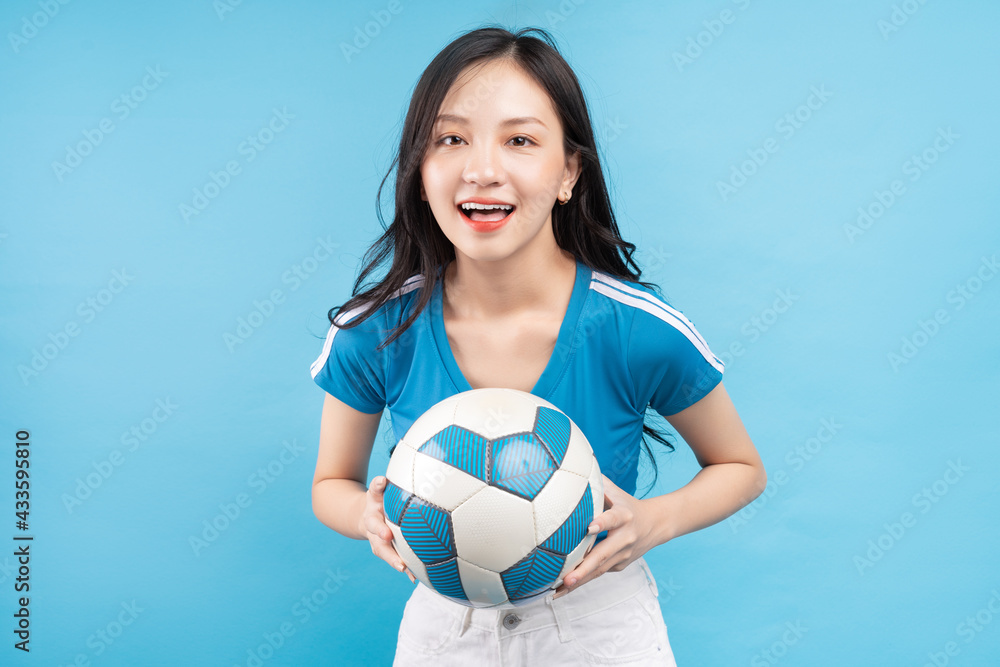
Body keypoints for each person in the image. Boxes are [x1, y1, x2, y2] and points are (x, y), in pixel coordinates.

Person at [309, 25, 766, 666]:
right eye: (451, 139)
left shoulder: (635, 329)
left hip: (600, 625)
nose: (483, 169)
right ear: (420, 172)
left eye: (519, 140)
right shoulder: (377, 330)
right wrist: (367, 516)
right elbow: (331, 482)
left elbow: (742, 468)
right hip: (446, 630)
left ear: (568, 172)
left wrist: (654, 522)